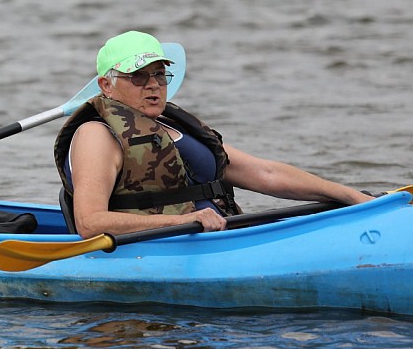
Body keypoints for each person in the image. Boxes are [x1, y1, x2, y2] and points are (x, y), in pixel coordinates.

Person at [54, 30, 371, 239]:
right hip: (162, 248)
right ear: (106, 85)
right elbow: (90, 222)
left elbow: (266, 173)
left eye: (159, 75)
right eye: (138, 77)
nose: (153, 85)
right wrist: (181, 222)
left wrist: (351, 196)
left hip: (221, 237)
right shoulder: (97, 135)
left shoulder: (173, 128)